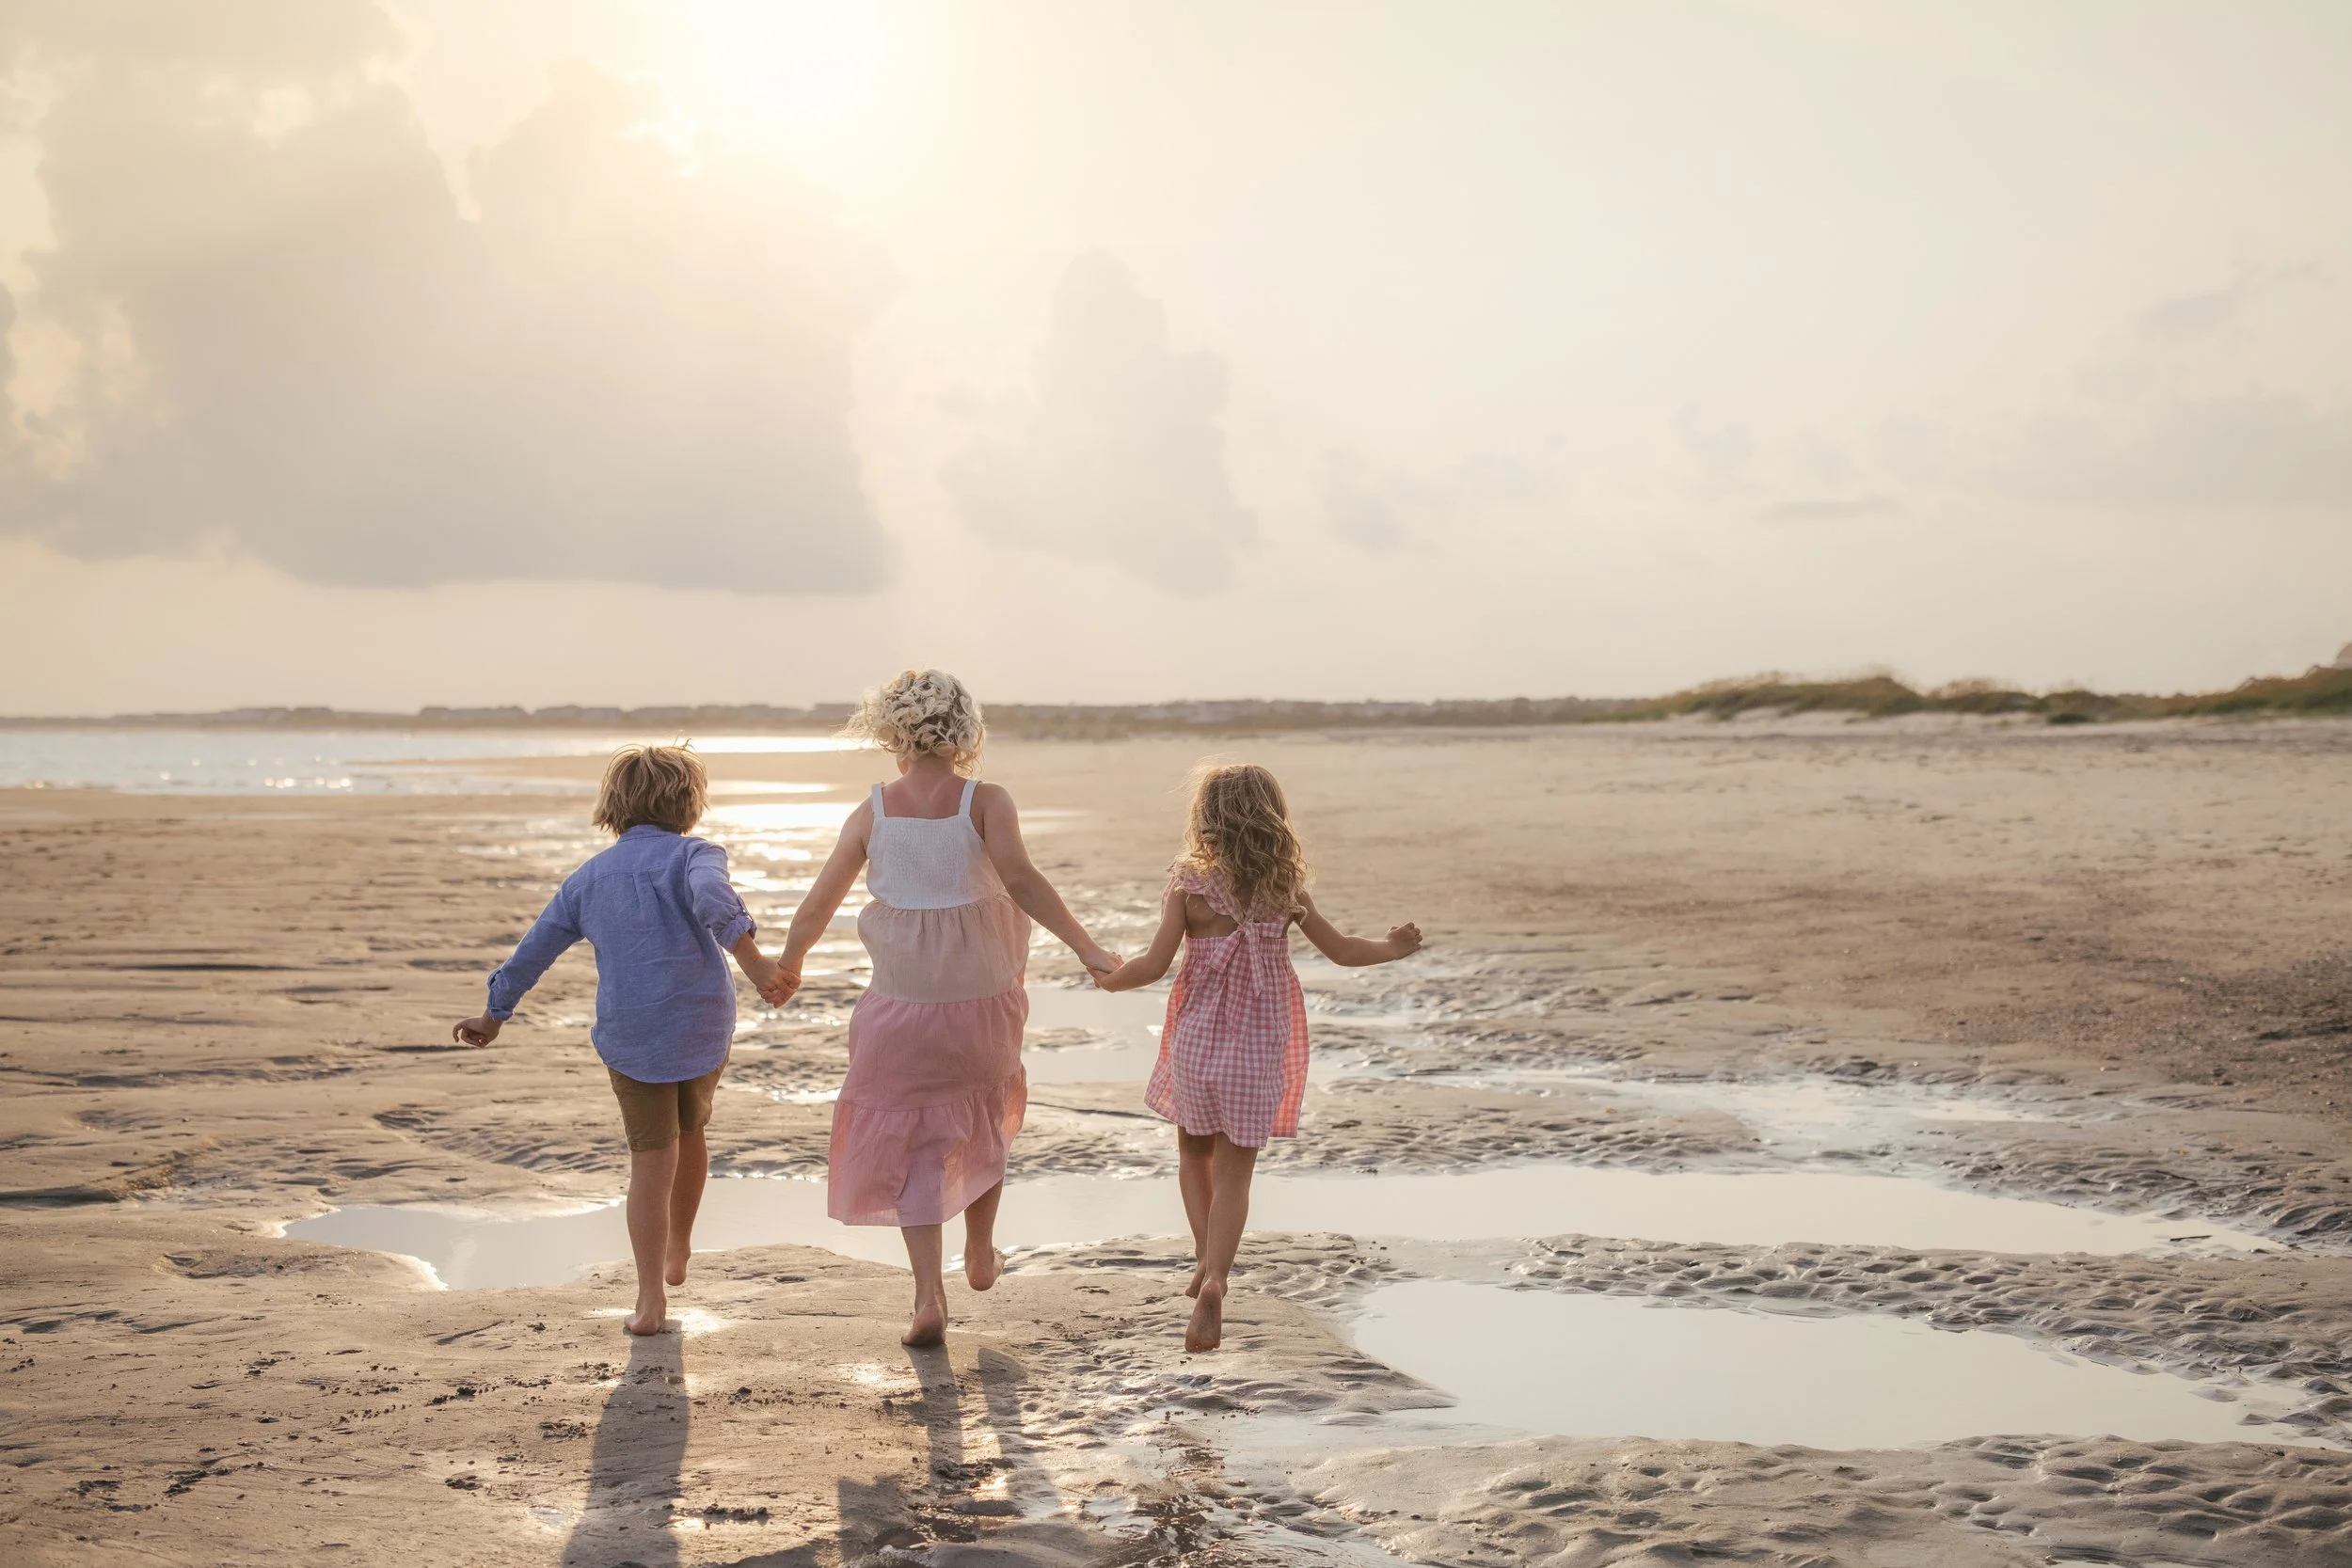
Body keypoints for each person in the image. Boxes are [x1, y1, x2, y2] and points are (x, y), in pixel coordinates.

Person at [771, 669, 1120, 1347]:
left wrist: (790, 963)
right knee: (984, 1117)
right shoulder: (984, 801)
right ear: (964, 731)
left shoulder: (872, 810)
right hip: (980, 1011)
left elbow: (819, 902)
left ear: (890, 732)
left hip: (899, 1012)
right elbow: (1021, 879)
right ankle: (981, 1251)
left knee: (911, 1141)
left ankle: (928, 1294)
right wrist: (1088, 948)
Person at [453, 744, 778, 1335]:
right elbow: (711, 898)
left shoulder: (587, 879)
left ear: (614, 807)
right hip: (703, 1026)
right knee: (692, 1131)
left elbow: (534, 952)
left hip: (633, 1035)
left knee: (651, 1161)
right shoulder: (696, 855)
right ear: (688, 804)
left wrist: (493, 1014)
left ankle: (650, 1298)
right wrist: (752, 960)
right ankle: (680, 1246)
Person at [1097, 762, 1422, 1352]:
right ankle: (1219, 1275)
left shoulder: (1189, 885)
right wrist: (1395, 947)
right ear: (1273, 817)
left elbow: (1153, 964)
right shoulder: (1283, 889)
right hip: (1258, 1045)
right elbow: (1344, 952)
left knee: (1192, 1150)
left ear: (1207, 817)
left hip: (1197, 1041)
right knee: (1236, 1173)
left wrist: (1110, 979)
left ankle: (1201, 1261)